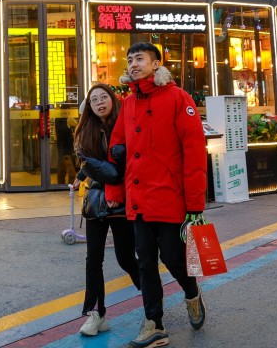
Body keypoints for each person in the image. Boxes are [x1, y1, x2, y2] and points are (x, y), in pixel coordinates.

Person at [111, 43, 207, 347]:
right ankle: (154, 323)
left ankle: (191, 293)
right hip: (138, 198)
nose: (133, 64)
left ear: (156, 64)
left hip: (171, 198)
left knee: (173, 257)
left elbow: (194, 154)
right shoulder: (127, 104)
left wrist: (195, 204)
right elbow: (116, 151)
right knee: (145, 263)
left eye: (140, 59)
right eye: (130, 60)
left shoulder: (179, 98)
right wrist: (116, 192)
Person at [71, 82, 140, 337]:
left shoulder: (126, 124)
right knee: (93, 259)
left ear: (112, 99)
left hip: (121, 199)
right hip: (97, 201)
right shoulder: (84, 132)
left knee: (125, 257)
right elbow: (88, 162)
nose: (100, 102)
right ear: (88, 107)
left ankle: (151, 294)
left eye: (104, 97)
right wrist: (82, 174)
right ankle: (95, 313)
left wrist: (112, 185)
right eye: (94, 100)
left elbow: (129, 164)